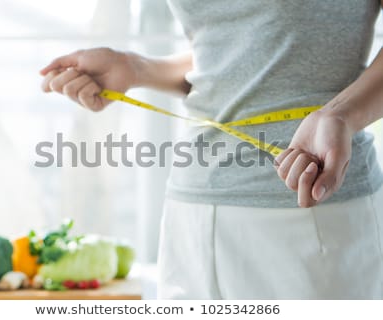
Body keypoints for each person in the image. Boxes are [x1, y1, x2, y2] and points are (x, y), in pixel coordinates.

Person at [40, 0, 383, 299]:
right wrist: (137, 68)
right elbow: (239, 52)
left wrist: (340, 113)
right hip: (189, 211)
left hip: (308, 207)